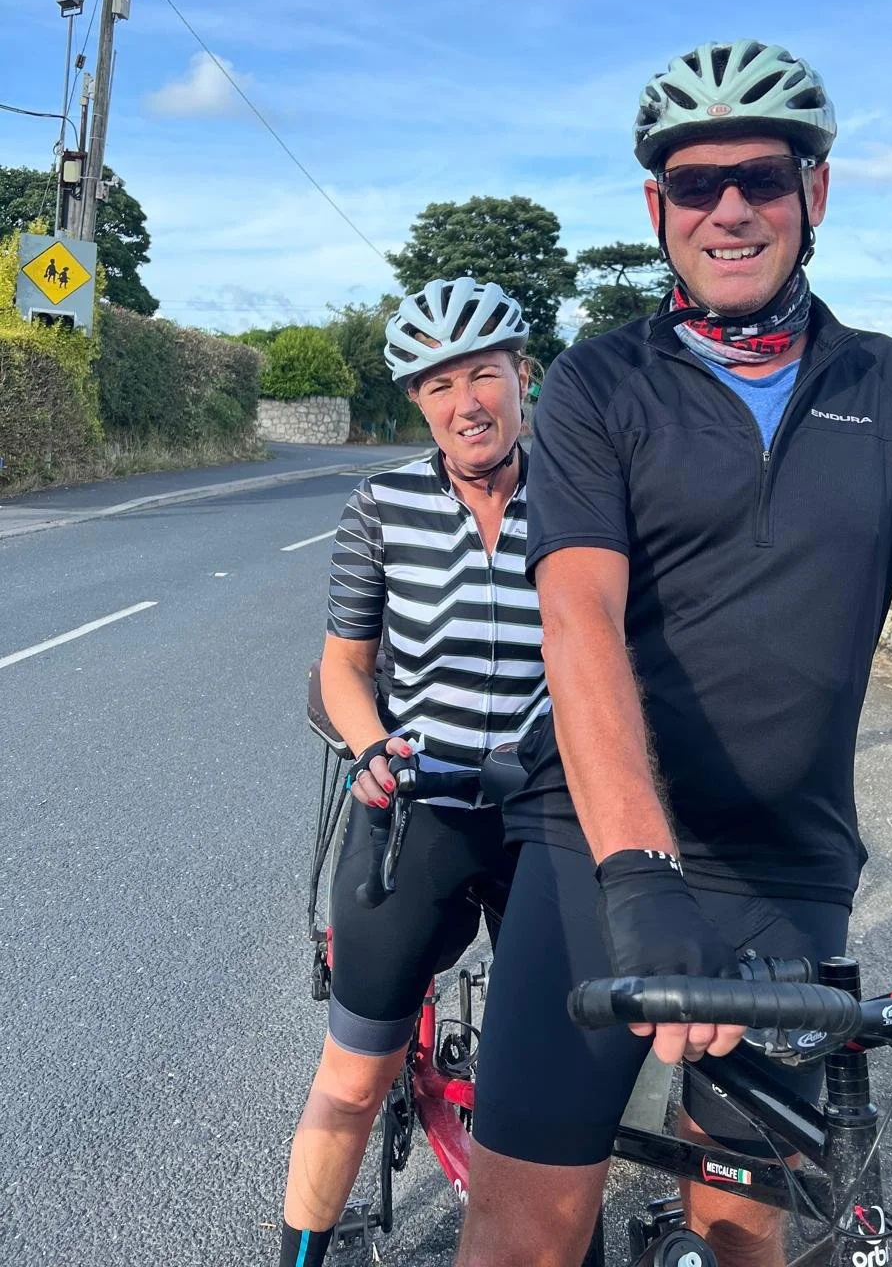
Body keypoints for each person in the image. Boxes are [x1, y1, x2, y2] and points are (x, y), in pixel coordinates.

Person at [454, 40, 892, 1267]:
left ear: (815, 194)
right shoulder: (598, 384)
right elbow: (578, 620)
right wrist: (636, 865)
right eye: (694, 182)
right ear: (656, 208)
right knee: (528, 1225)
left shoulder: (890, 388)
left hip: (787, 861)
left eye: (763, 178)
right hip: (597, 845)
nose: (729, 207)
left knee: (748, 1220)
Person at [278, 277, 546, 1267]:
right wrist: (371, 747)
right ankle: (297, 1254)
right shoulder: (380, 503)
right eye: (438, 385)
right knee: (351, 1076)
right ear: (417, 402)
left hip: (544, 815)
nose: (464, 402)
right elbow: (347, 666)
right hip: (415, 805)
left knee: (552, 1082)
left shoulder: (585, 491)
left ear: (524, 376)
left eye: (483, 373)